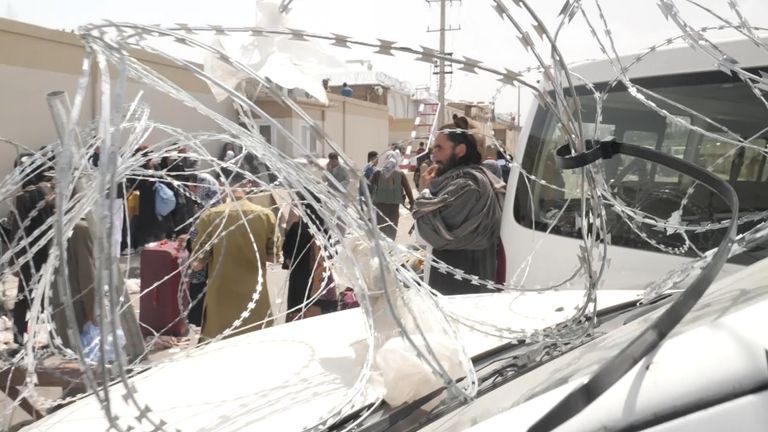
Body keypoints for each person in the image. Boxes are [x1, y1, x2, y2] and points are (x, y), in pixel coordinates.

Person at [412, 116, 506, 295]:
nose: (434, 155)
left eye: (439, 148)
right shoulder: (463, 181)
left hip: (460, 287)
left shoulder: (467, 186)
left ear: (460, 150)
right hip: (459, 282)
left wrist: (424, 193)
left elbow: (427, 236)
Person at [191, 172, 276, 339]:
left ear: (223, 184)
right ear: (248, 185)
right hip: (254, 300)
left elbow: (198, 263)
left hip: (221, 302)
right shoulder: (265, 215)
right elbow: (272, 257)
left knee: (220, 350)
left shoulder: (210, 217)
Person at [282, 194, 336, 320]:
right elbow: (332, 257)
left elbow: (287, 258)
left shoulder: (295, 230)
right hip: (320, 289)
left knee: (298, 324)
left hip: (299, 286)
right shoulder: (324, 233)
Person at [370, 151, 414, 240]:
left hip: (380, 206)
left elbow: (368, 185)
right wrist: (412, 202)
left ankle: (382, 249)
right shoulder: (400, 174)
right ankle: (389, 250)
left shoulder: (378, 173)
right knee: (391, 229)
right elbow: (408, 189)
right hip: (393, 207)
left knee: (380, 229)